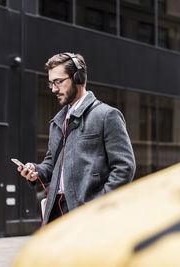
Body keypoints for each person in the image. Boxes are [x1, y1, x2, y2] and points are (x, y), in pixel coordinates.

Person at [18, 52, 135, 224]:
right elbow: (51, 163)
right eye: (51, 83)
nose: (54, 89)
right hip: (54, 213)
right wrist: (36, 171)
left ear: (79, 78)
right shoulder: (57, 122)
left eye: (58, 82)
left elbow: (124, 167)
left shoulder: (106, 115)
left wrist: (98, 204)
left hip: (88, 215)